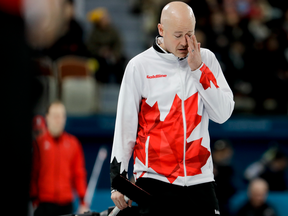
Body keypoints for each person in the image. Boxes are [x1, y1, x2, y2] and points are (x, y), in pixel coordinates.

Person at [110, 1, 234, 216]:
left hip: (200, 178)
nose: (186, 42)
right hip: (153, 179)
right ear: (161, 30)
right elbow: (125, 126)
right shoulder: (140, 66)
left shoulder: (207, 60)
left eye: (190, 33)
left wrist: (199, 70)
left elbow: (222, 115)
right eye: (178, 35)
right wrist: (117, 182)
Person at [30, 101, 89, 216]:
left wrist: (83, 201)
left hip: (66, 204)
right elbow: (33, 174)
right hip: (44, 204)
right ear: (47, 118)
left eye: (62, 116)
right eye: (55, 116)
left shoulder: (73, 144)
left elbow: (79, 174)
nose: (59, 120)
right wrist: (34, 200)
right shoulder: (38, 144)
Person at [86, 7, 126, 84]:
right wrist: (100, 52)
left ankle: (121, 83)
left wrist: (113, 53)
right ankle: (101, 82)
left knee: (122, 62)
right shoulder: (93, 33)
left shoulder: (113, 31)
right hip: (99, 57)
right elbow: (90, 47)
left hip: (113, 55)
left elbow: (118, 44)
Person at [212, 139, 236, 216]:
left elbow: (231, 190)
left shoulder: (229, 170)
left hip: (224, 205)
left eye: (224, 152)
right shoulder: (206, 168)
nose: (221, 155)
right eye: (218, 152)